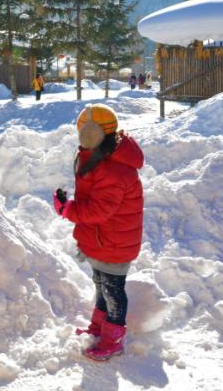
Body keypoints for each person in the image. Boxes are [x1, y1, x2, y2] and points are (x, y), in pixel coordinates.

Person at [52, 103, 144, 361]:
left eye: (83, 131)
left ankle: (113, 338)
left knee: (113, 290)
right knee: (101, 285)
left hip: (114, 242)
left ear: (93, 133)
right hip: (103, 239)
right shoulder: (101, 154)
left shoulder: (113, 168)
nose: (81, 137)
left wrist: (66, 209)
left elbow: (98, 210)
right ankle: (99, 326)